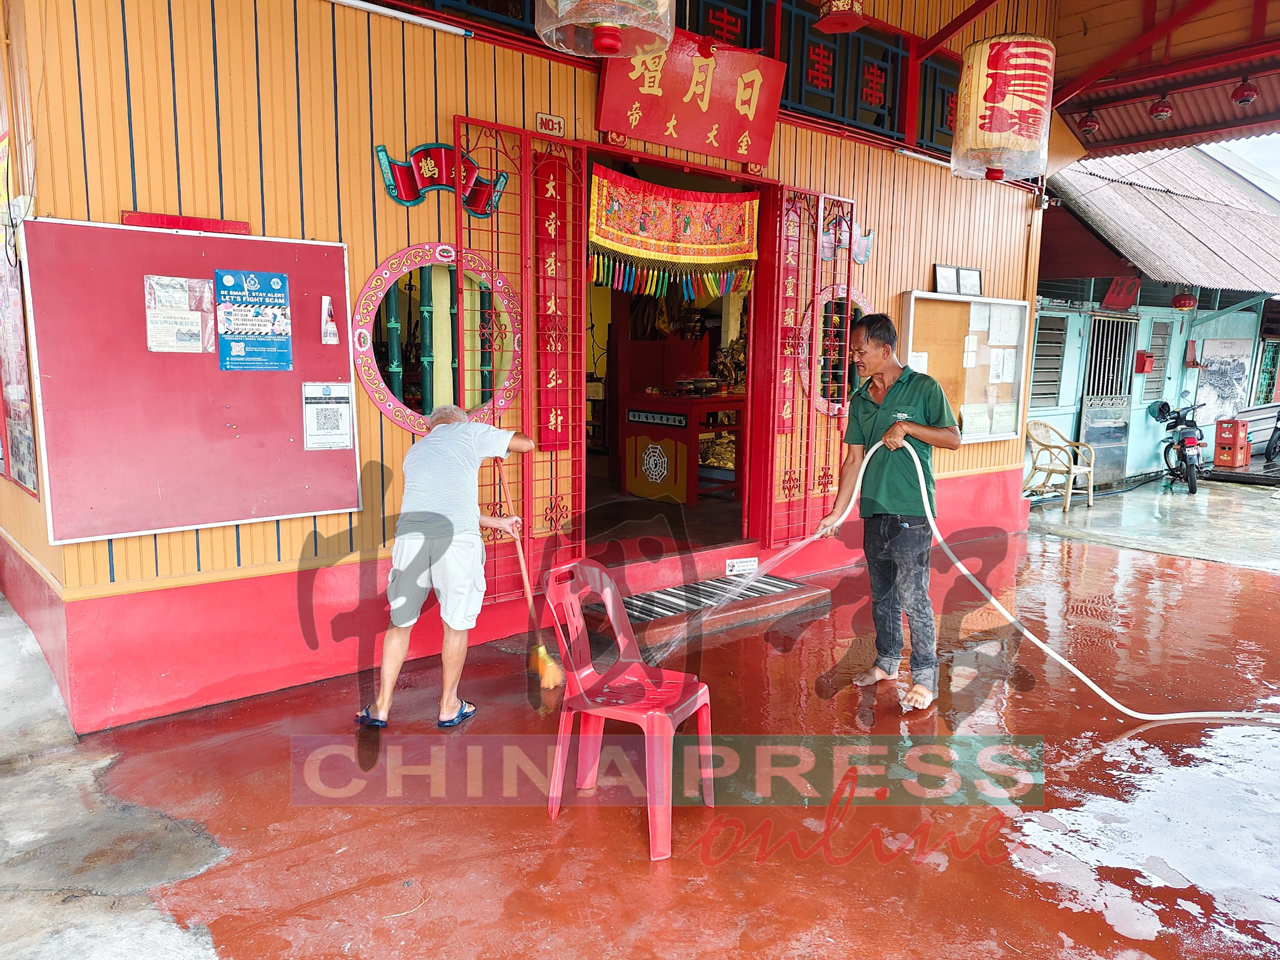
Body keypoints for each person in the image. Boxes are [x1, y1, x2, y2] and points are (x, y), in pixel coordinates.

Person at [356, 404, 534, 729]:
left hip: (410, 539)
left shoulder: (417, 449)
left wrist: (498, 522)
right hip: (456, 542)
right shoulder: (470, 431)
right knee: (455, 625)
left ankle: (381, 707)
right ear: (460, 421)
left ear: (432, 427)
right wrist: (497, 440)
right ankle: (449, 705)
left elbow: (445, 503)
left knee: (400, 625)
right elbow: (526, 444)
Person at [816, 314, 960, 710]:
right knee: (882, 596)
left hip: (913, 511)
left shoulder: (923, 388)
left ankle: (926, 678)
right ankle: (887, 663)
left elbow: (953, 438)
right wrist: (837, 513)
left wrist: (909, 428)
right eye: (853, 352)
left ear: (885, 349)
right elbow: (852, 460)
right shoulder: (861, 398)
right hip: (874, 510)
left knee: (914, 597)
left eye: (861, 352)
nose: (855, 359)